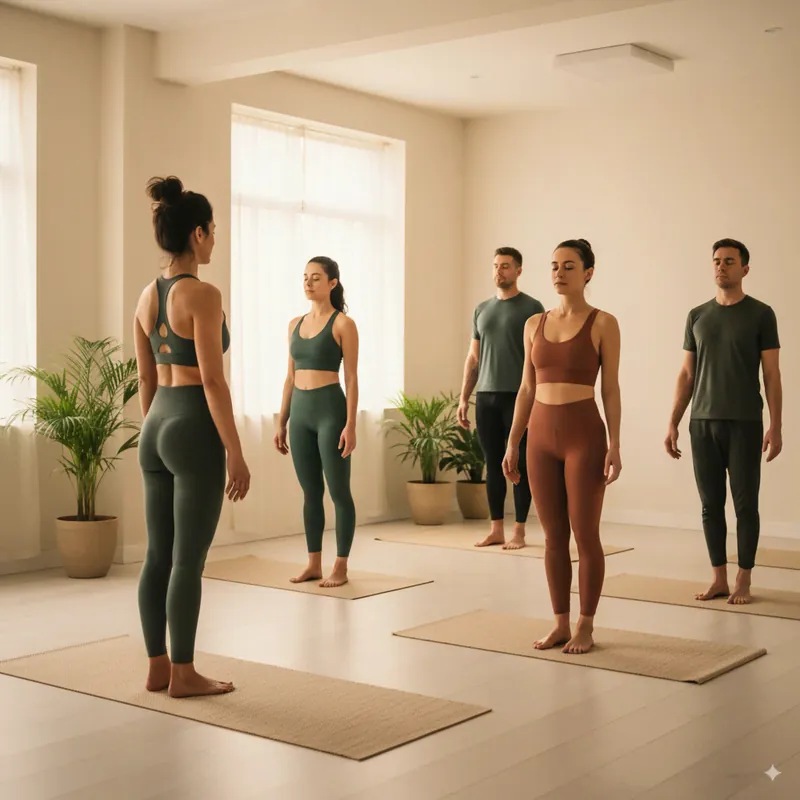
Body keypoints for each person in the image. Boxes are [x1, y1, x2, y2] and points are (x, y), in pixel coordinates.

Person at [134, 176, 250, 698]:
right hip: (192, 427)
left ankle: (158, 666)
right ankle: (184, 673)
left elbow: (145, 378)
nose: (215, 239)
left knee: (157, 555)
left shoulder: (146, 295)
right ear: (198, 234)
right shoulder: (203, 294)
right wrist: (235, 451)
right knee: (188, 560)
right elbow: (212, 378)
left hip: (155, 425)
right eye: (213, 231)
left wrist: (157, 427)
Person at [502, 239, 621, 655]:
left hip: (584, 436)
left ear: (588, 272)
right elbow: (526, 389)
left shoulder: (603, 323)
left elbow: (610, 389)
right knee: (553, 537)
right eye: (554, 265)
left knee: (585, 535)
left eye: (569, 266)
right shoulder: (533, 323)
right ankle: (559, 623)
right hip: (540, 436)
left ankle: (586, 625)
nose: (558, 272)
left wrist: (616, 443)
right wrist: (513, 442)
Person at [665, 238, 782, 605]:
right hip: (702, 422)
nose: (721, 267)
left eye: (729, 261)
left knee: (745, 504)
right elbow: (686, 375)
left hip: (745, 421)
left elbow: (772, 375)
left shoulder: (762, 314)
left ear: (744, 269)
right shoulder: (697, 315)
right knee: (709, 505)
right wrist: (672, 422)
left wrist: (775, 426)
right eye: (717, 261)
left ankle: (743, 579)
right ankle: (718, 578)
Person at [274, 257, 359, 588]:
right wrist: (282, 421)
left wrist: (350, 424)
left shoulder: (343, 324)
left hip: (330, 411)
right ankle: (313, 564)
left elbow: (351, 378)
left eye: (316, 278)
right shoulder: (294, 323)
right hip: (301, 414)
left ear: (332, 283)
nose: (308, 283)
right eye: (305, 278)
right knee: (310, 492)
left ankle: (341, 566)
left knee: (339, 492)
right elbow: (289, 377)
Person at [458, 247, 544, 550]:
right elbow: (473, 358)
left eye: (506, 266)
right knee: (492, 464)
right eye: (496, 266)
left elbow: (540, 358)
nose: (499, 271)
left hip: (519, 396)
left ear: (518, 271)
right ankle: (496, 529)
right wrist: (463, 398)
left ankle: (519, 530)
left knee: (518, 462)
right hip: (486, 396)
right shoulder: (481, 310)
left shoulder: (532, 307)